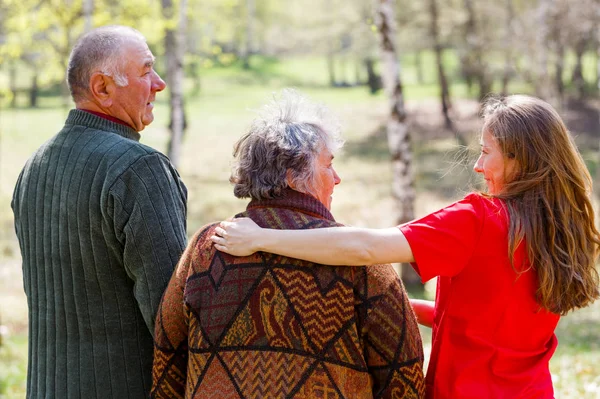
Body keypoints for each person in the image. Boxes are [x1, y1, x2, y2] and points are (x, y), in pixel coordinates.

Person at [211, 94, 600, 399]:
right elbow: (489, 321)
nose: (478, 166)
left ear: (520, 159)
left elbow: (365, 247)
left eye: (486, 151)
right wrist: (397, 304)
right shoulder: (562, 228)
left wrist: (264, 238)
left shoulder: (479, 219)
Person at [152, 90, 425, 399]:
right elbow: (404, 373)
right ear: (293, 175)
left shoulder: (208, 245)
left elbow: (168, 354)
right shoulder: (357, 258)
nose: (336, 178)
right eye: (328, 165)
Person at [11, 25, 188, 398]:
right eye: (145, 71)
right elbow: (172, 318)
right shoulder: (140, 170)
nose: (159, 83)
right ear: (102, 88)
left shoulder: (33, 168)